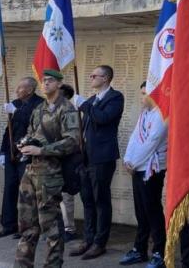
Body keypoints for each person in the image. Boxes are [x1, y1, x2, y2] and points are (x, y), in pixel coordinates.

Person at [14, 69, 80, 267]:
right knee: (27, 224)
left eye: (50, 81)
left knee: (50, 225)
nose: (45, 84)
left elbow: (72, 141)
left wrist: (41, 150)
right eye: (43, 81)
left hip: (50, 173)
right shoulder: (39, 108)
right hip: (31, 171)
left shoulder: (67, 109)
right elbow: (32, 132)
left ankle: (53, 264)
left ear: (59, 84)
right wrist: (25, 145)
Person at [69, 65, 124, 260]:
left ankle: (100, 242)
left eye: (95, 75)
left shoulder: (115, 98)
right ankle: (88, 238)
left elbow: (103, 118)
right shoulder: (92, 100)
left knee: (101, 200)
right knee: (87, 200)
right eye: (91, 74)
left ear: (106, 78)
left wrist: (84, 105)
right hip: (85, 158)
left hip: (102, 157)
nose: (91, 77)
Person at [120, 82, 167, 268]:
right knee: (141, 211)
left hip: (152, 170)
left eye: (145, 93)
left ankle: (159, 252)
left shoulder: (162, 114)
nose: (141, 97)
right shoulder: (145, 113)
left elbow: (152, 141)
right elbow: (134, 138)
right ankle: (139, 249)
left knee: (152, 211)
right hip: (138, 168)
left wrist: (134, 162)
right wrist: (127, 159)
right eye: (141, 93)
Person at [0, 77, 43, 239]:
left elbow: (34, 122)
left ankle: (26, 227)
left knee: (26, 192)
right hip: (12, 151)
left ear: (30, 89)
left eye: (21, 88)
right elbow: (8, 130)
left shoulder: (39, 103)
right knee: (9, 188)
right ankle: (8, 224)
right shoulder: (15, 103)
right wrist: (3, 152)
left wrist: (16, 112)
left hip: (28, 152)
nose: (17, 90)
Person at [58, 83, 78, 242]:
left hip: (66, 158)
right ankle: (55, 227)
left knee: (66, 196)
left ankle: (69, 228)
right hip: (51, 158)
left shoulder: (70, 110)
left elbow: (72, 138)